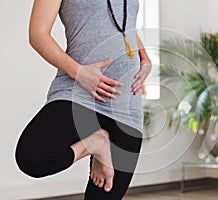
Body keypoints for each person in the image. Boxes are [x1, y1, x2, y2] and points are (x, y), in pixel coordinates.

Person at [15, 0, 151, 199]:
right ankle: (95, 143)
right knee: (32, 157)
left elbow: (124, 25)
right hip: (79, 92)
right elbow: (38, 35)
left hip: (127, 103)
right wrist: (80, 73)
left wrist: (144, 57)